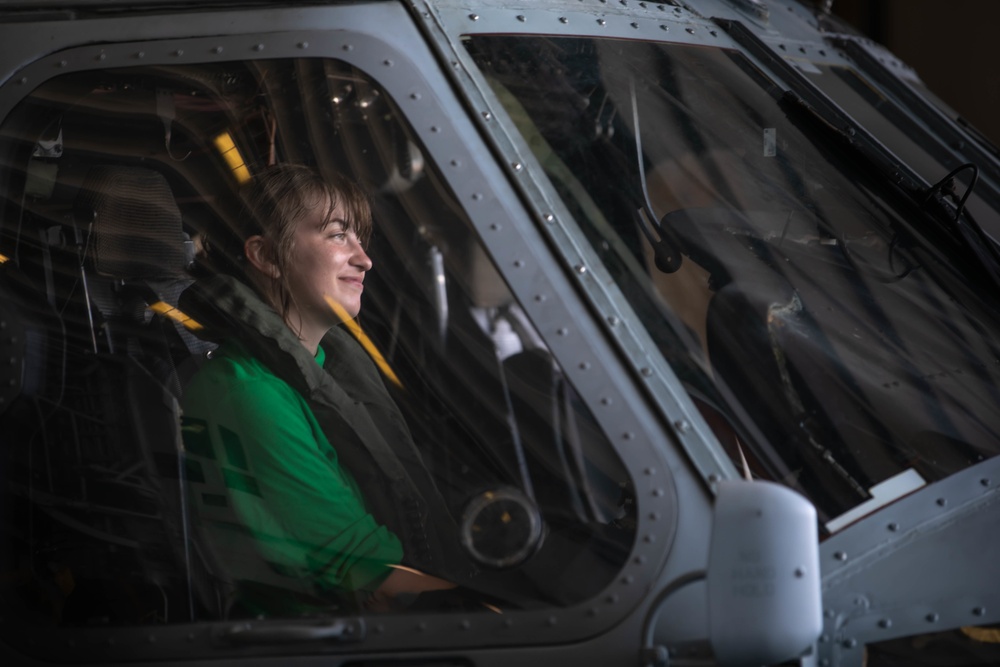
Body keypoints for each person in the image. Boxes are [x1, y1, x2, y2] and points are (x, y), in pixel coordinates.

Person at [179, 164, 471, 614]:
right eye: (338, 235)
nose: (364, 258)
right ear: (268, 257)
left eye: (360, 238)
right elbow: (377, 579)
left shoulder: (307, 373)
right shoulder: (250, 396)